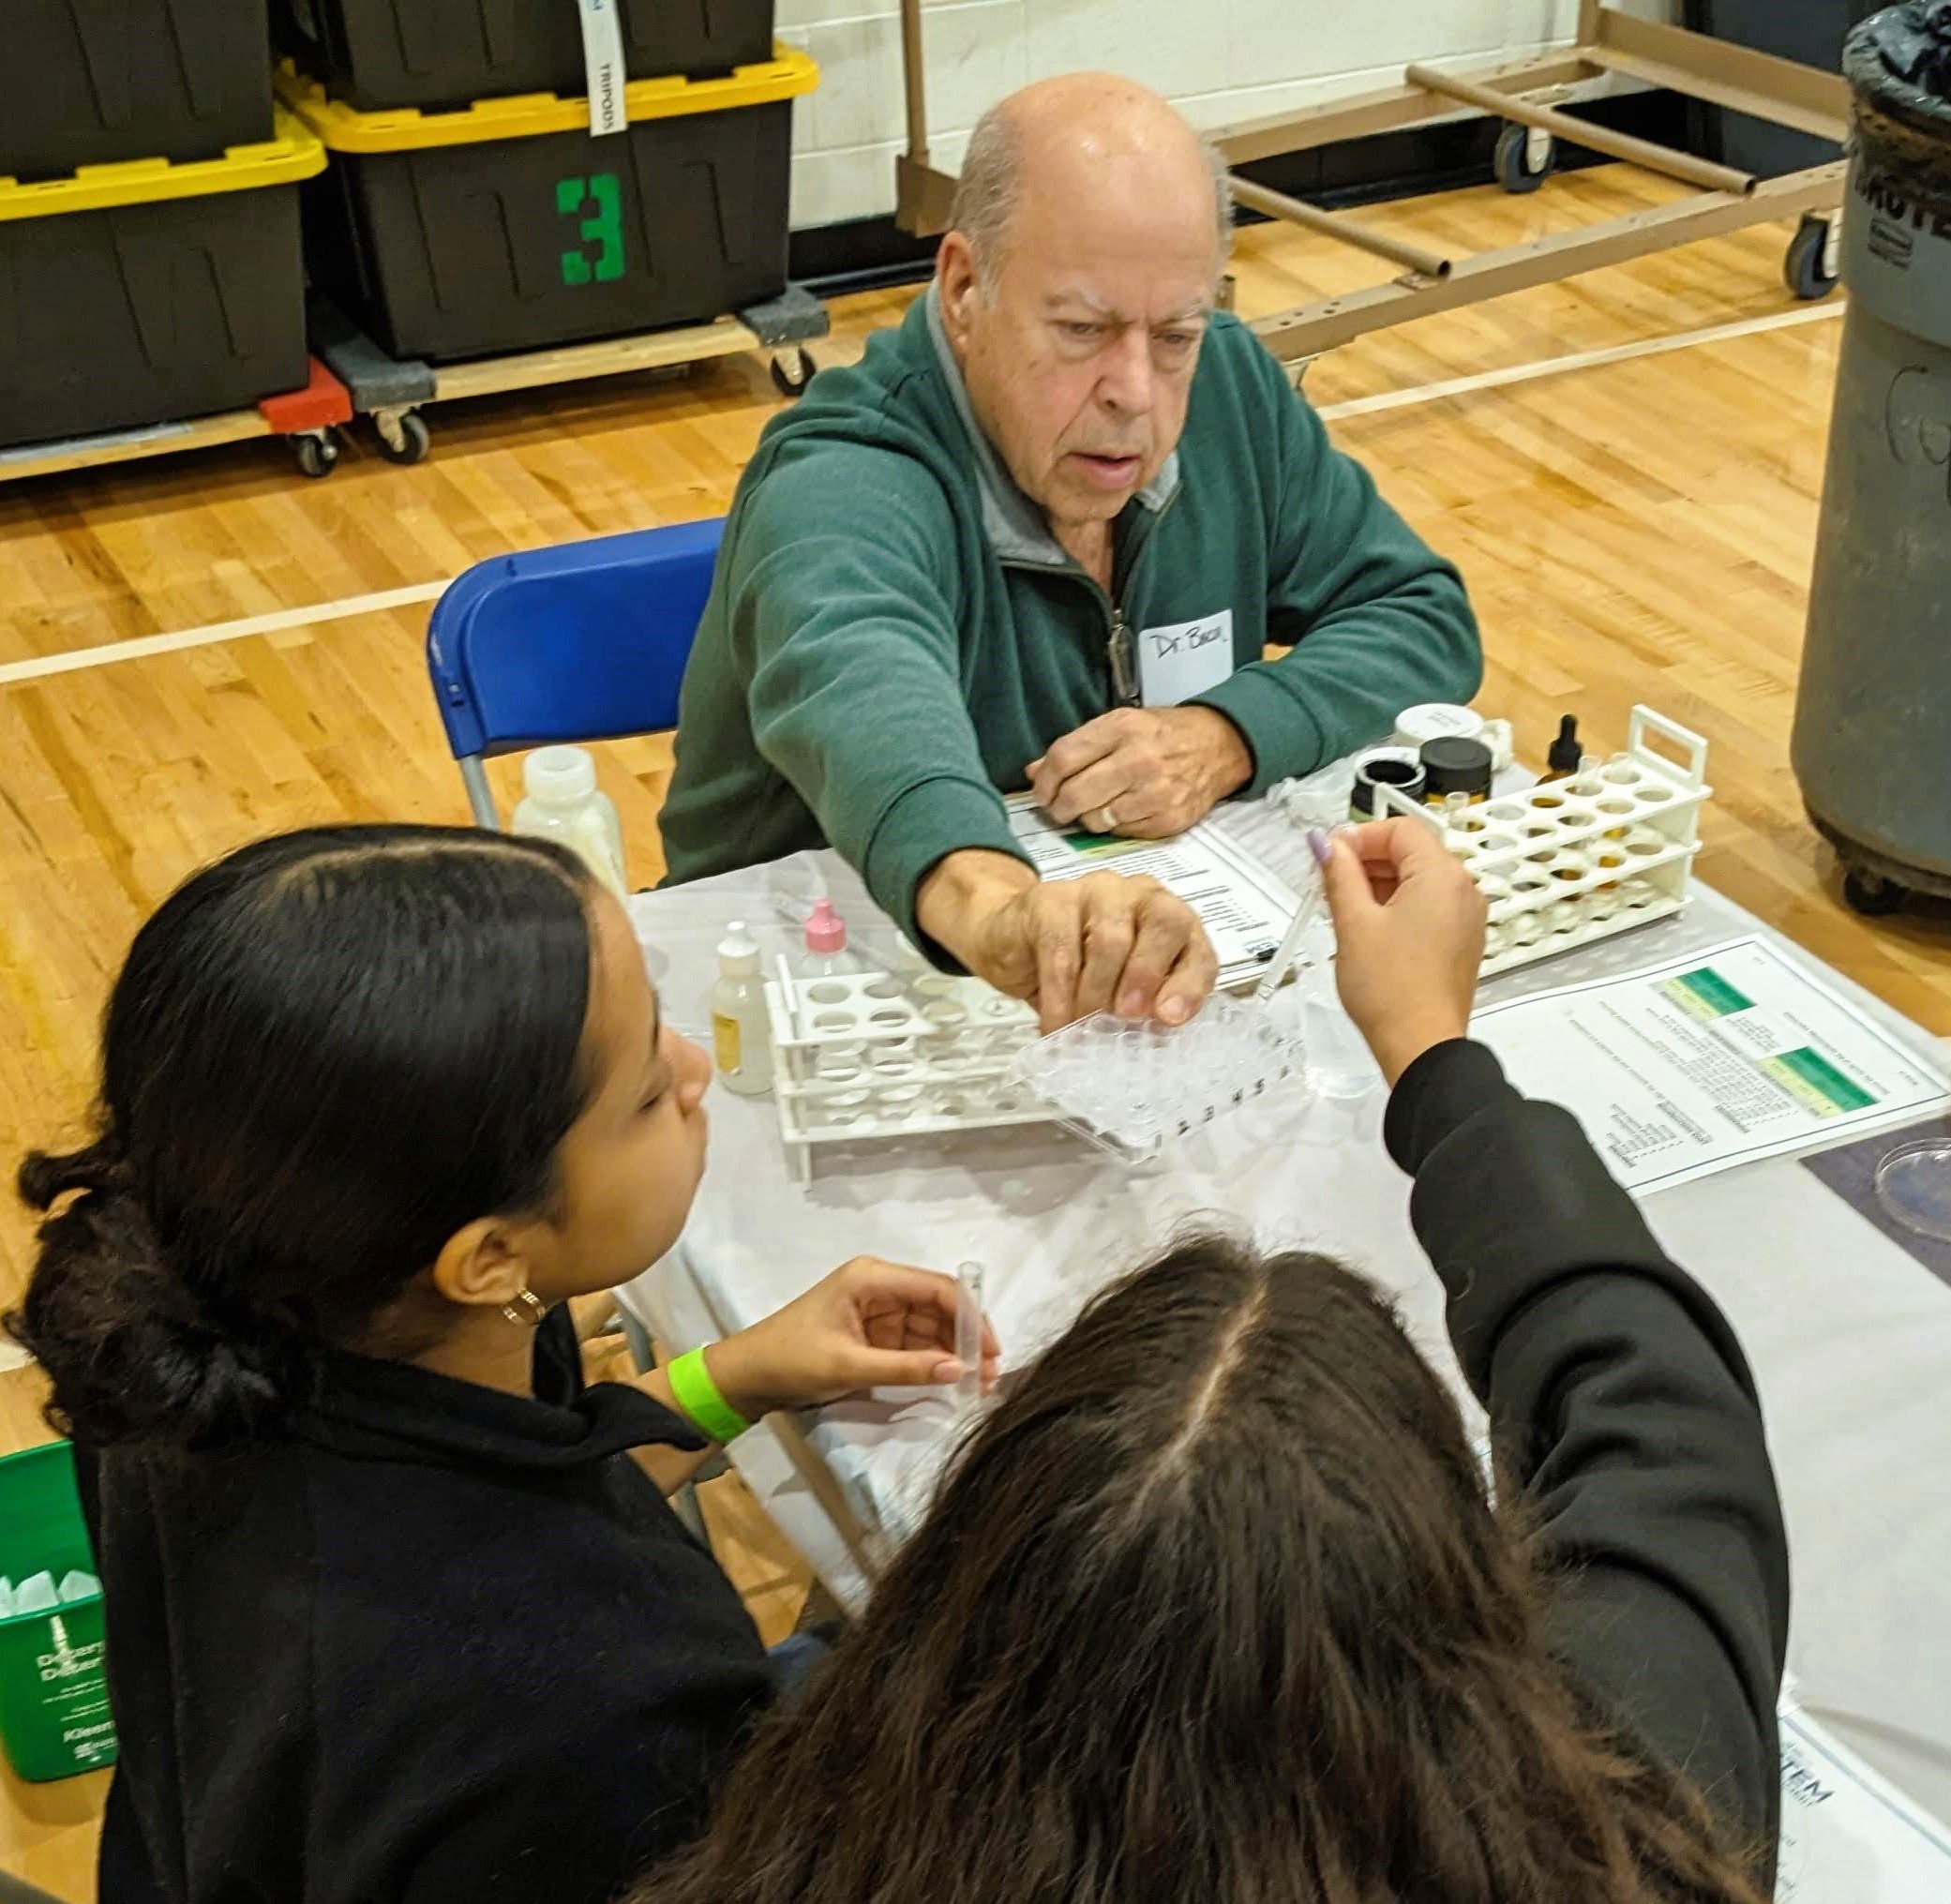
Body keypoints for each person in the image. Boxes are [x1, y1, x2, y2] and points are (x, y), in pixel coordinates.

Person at [646, 817, 1789, 1904]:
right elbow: (1653, 1391)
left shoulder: (830, 1840)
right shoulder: (1638, 1813)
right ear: (1466, 1594)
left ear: (960, 1612)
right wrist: (1433, 1053)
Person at [6, 825, 997, 1904]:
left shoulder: (189, 1331)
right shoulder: (602, 1708)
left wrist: (737, 1375)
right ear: (487, 1258)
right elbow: (522, 1593)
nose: (693, 1067)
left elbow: (512, 1499)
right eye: (643, 1093)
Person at [659, 73, 1481, 1034]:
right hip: (803, 1003)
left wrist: (1228, 733)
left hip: (1105, 1002)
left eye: (1173, 332)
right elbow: (871, 708)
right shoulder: (842, 479)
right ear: (964, 289)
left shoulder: (1227, 391)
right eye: (1082, 331)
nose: (1133, 390)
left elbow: (1420, 614)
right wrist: (1006, 913)